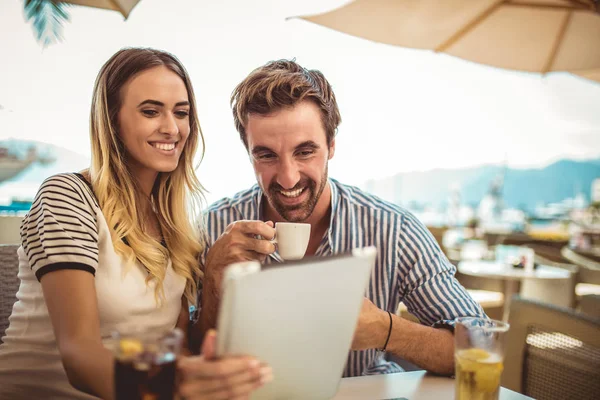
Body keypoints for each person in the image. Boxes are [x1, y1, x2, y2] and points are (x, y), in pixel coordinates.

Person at [0, 48, 271, 399]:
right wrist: (168, 387)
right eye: (150, 111)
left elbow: (172, 349)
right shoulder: (68, 196)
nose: (172, 128)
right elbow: (79, 355)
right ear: (112, 120)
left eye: (182, 113)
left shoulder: (176, 227)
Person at [198, 59, 486, 377]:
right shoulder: (213, 229)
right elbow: (183, 359)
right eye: (266, 155)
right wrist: (213, 280)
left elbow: (481, 347)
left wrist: (386, 331)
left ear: (331, 145)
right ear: (249, 152)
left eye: (305, 151)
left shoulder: (392, 229)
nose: (288, 178)